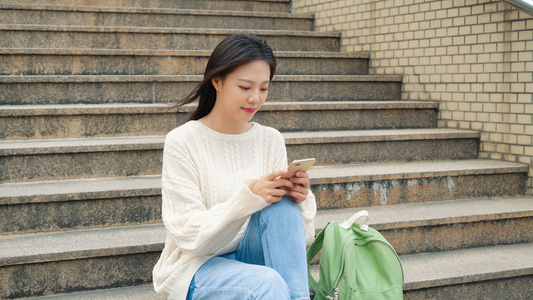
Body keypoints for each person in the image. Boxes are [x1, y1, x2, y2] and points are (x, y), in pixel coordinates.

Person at [152, 34, 317, 300]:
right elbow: (187, 234)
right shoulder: (182, 141)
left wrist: (301, 199)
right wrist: (248, 198)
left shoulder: (270, 139)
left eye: (263, 88)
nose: (255, 98)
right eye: (245, 87)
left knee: (283, 204)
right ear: (217, 82)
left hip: (252, 256)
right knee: (267, 283)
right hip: (197, 265)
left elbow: (300, 241)